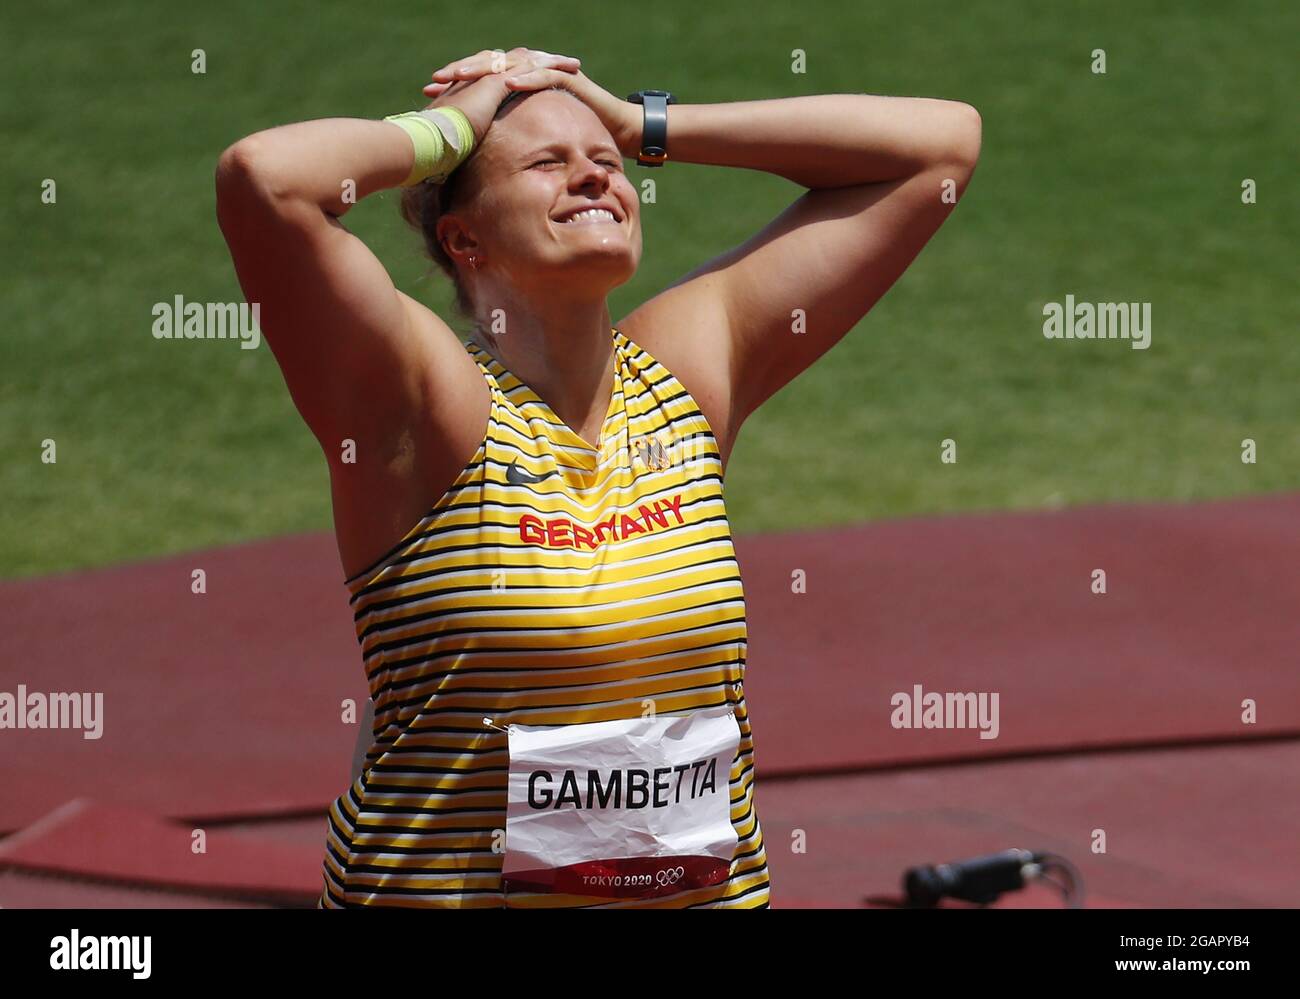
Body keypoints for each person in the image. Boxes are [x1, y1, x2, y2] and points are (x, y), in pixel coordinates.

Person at [215, 46, 981, 908]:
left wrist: (640, 123)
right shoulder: (426, 408)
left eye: (605, 165)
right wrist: (454, 125)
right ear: (462, 238)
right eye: (546, 164)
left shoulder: (682, 376)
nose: (592, 178)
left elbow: (940, 148)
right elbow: (264, 178)